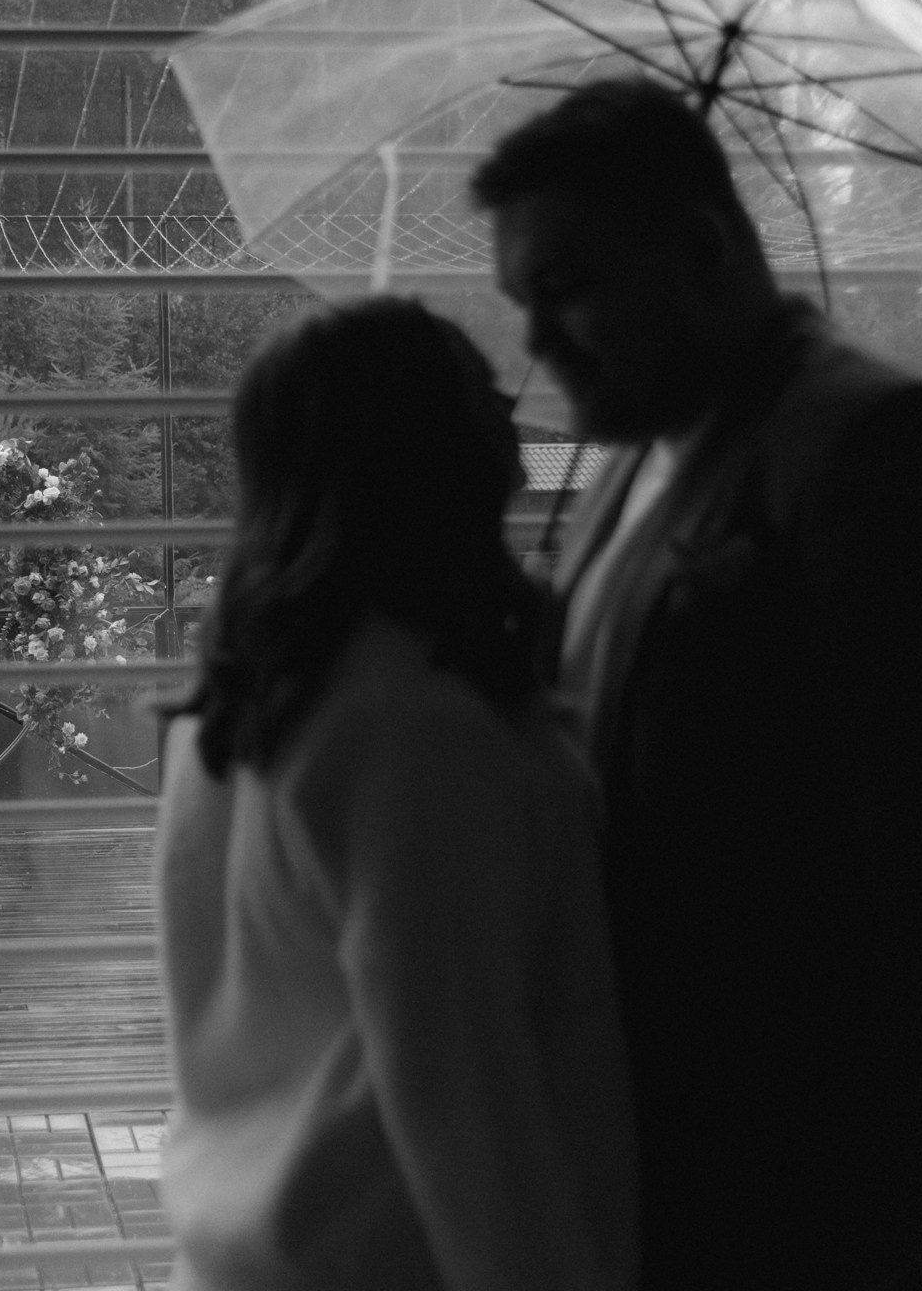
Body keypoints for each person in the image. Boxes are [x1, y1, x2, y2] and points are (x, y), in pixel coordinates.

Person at [472, 77, 922, 1291]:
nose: (537, 342)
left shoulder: (892, 458)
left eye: (566, 289)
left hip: (835, 1223)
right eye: (520, 303)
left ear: (700, 248)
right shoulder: (636, 464)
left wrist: (863, 1233)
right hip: (691, 1192)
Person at [155, 297, 637, 1291]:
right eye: (489, 398)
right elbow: (470, 1116)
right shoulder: (414, 738)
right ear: (444, 453)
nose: (515, 420)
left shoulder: (238, 716)